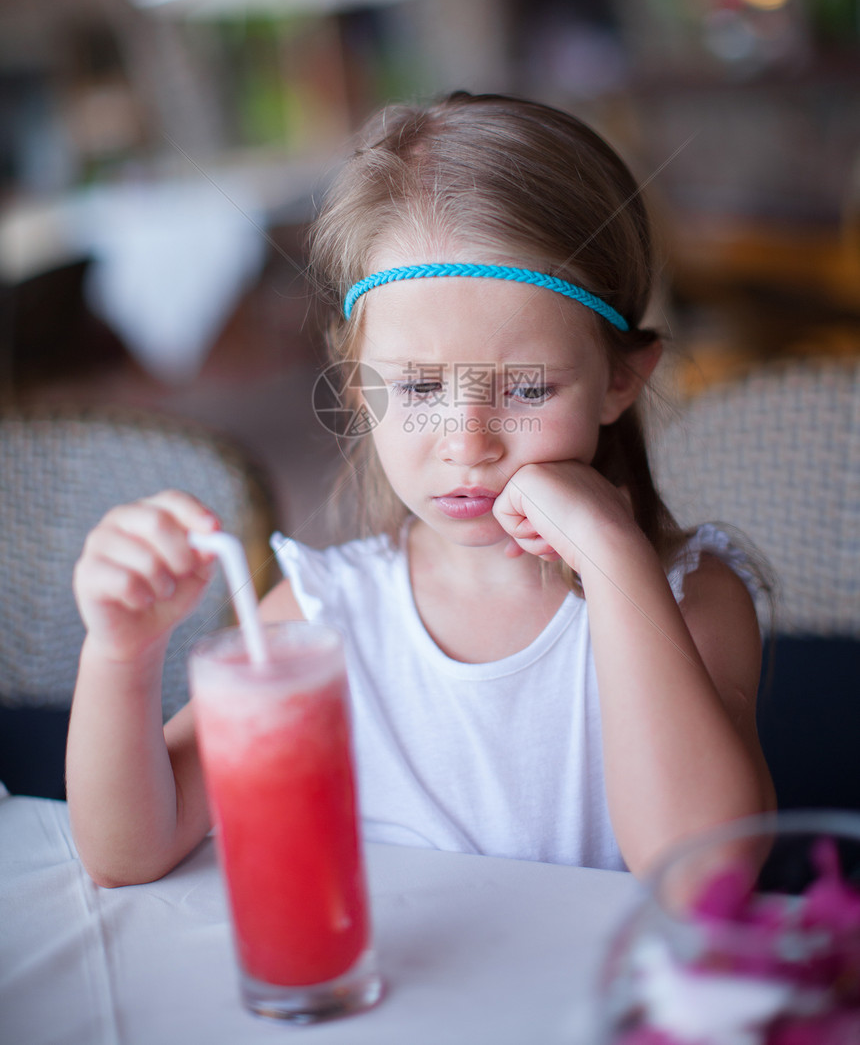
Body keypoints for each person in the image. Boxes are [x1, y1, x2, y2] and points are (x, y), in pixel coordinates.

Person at [67, 92, 775, 888]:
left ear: (620, 380)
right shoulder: (322, 618)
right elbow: (128, 850)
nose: (468, 443)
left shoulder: (690, 601)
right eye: (420, 387)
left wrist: (616, 561)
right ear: (360, 383)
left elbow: (704, 874)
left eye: (528, 389)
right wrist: (121, 655)